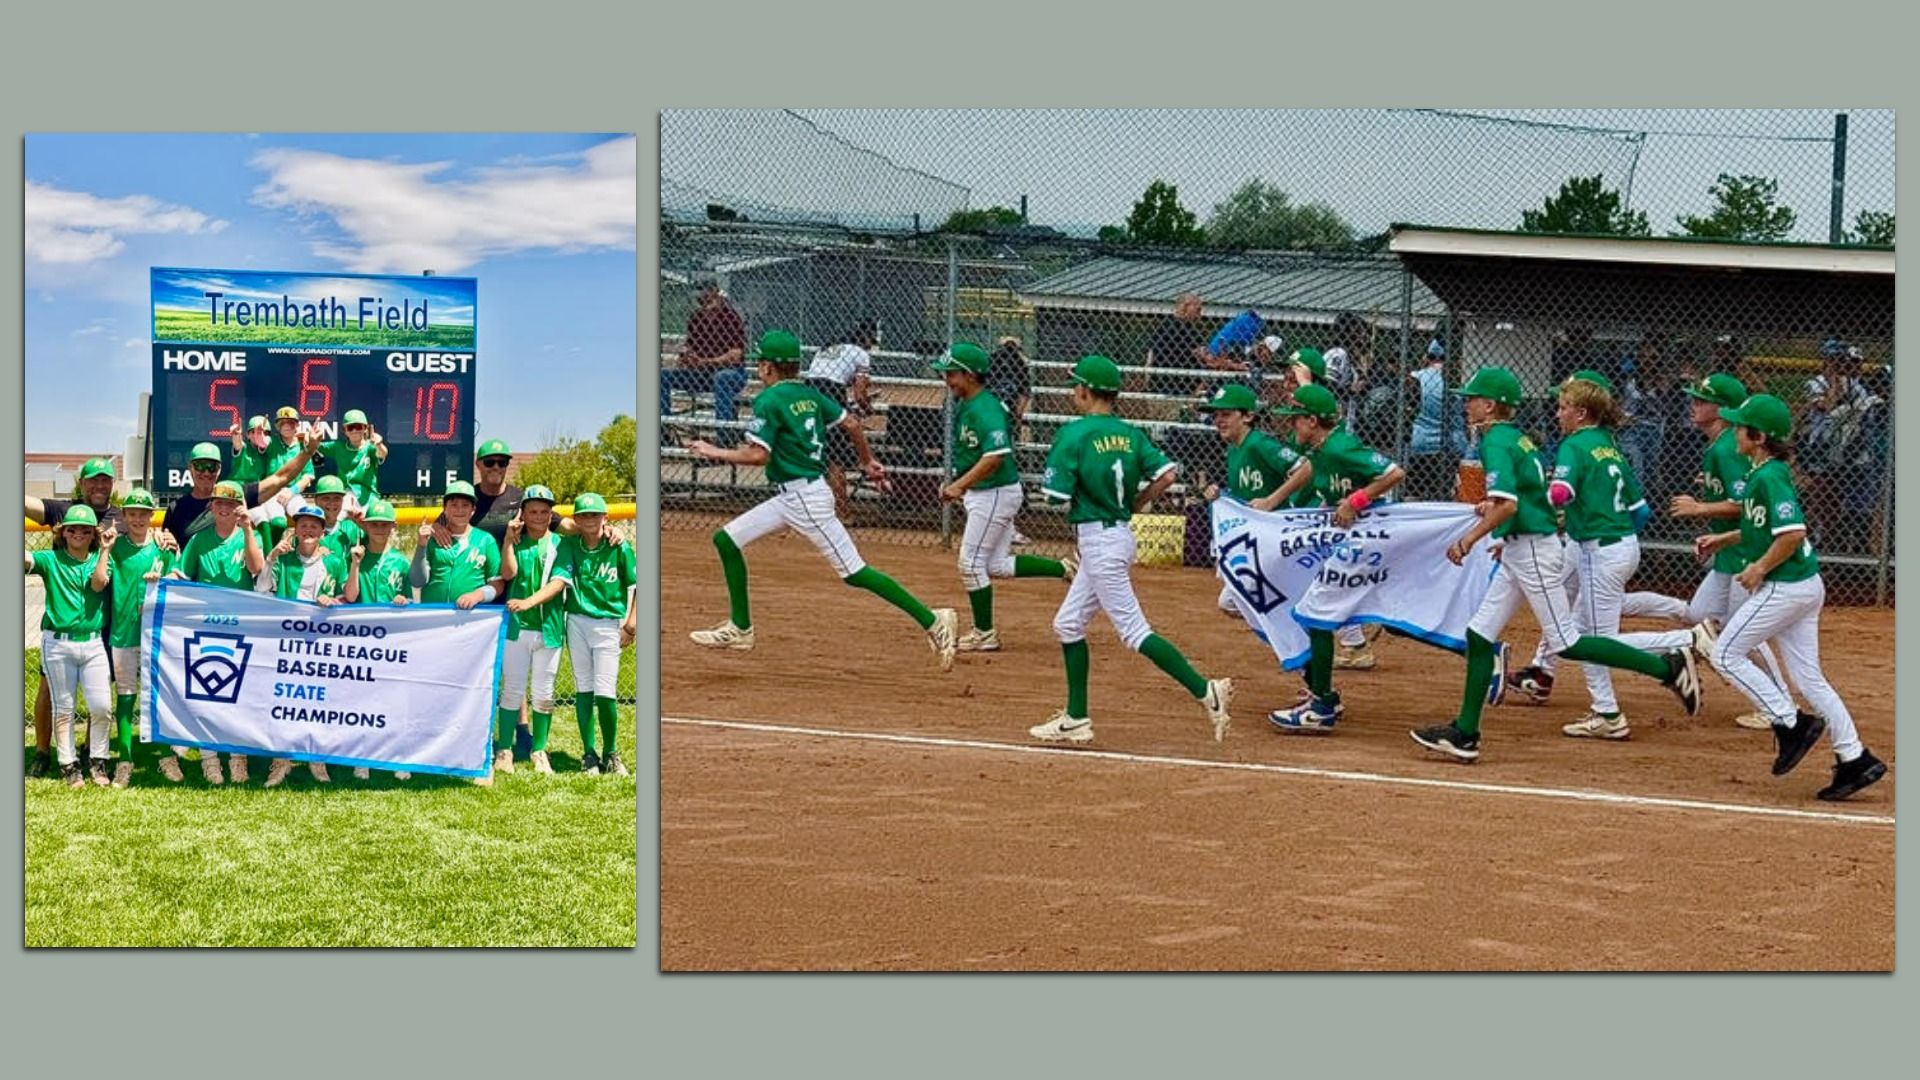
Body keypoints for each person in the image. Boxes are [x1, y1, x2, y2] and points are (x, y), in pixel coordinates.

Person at [1408, 367, 1704, 762]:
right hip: (1525, 547)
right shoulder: (1516, 438)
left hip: (1533, 549)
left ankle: (1668, 668)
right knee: (1479, 637)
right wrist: (1504, 530)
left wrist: (1470, 539)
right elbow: (1525, 499)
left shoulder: (1497, 440)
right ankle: (1465, 733)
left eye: (1472, 399)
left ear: (1491, 405)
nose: (1466, 404)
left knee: (1568, 642)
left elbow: (1511, 504)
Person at [684, 330, 959, 672]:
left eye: (761, 362)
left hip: (805, 500)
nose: (759, 368)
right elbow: (854, 424)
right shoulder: (810, 395)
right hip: (794, 495)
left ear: (768, 367)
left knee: (855, 572)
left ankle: (933, 620)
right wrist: (865, 460)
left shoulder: (769, 400)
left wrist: (714, 451)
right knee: (726, 540)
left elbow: (759, 456)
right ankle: (740, 628)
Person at [1029, 355, 1233, 746]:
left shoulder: (1074, 434)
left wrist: (1095, 491)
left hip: (1100, 539)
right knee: (1067, 624)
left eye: (1077, 385)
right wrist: (1136, 502)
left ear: (1086, 391)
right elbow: (1169, 474)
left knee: (1135, 632)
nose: (1074, 391)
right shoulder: (1130, 433)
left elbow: (1054, 496)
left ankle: (1205, 691)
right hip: (1116, 534)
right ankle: (1076, 717)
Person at [1695, 394, 1886, 801]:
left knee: (1725, 652)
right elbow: (1761, 526)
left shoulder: (1771, 476)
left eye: (1740, 428)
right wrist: (1723, 538)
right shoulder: (1762, 471)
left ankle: (1790, 724)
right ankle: (1855, 758)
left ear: (1758, 436)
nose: (1733, 433)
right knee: (1809, 679)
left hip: (1786, 587)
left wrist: (1760, 567)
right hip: (1803, 587)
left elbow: (1793, 533)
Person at [1608, 373, 1789, 730]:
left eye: (1702, 401)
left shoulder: (1726, 447)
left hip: (1744, 553)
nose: (1693, 405)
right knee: (1700, 615)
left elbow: (1747, 504)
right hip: (1728, 552)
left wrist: (1701, 509)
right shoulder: (1718, 446)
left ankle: (1777, 701)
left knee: (1742, 632)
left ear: (1723, 410)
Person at [1538, 371, 1686, 740]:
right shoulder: (1609, 444)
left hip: (1598, 550)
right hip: (1622, 546)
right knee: (1589, 634)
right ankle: (1605, 710)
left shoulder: (1575, 445)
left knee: (1592, 640)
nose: (1558, 414)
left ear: (1582, 413)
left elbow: (1560, 494)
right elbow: (1641, 512)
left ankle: (1683, 644)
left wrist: (1531, 503)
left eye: (1564, 407)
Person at [1263, 384, 1407, 733]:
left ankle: (1323, 704)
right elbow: (1314, 470)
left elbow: (1394, 473)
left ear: (1313, 421)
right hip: (1350, 539)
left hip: (1369, 539)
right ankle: (1322, 695)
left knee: (1318, 613)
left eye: (1296, 420)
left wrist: (1356, 500)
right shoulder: (1321, 449)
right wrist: (1271, 502)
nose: (1291, 426)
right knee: (1347, 612)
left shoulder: (1341, 445)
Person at [932, 342, 1072, 652]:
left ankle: (984, 632)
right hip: (989, 493)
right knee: (994, 564)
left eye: (952, 374)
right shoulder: (969, 404)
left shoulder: (986, 407)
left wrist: (958, 485)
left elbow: (995, 455)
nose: (947, 380)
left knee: (970, 564)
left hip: (994, 493)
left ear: (969, 375)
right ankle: (1064, 569)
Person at [24, 456, 141, 779]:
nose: (99, 485)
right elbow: (27, 504)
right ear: (82, 483)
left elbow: (144, 536)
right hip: (64, 622)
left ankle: (92, 753)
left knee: (99, 694)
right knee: (50, 692)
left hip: (105, 617)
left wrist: (164, 538)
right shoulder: (66, 511)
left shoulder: (121, 515)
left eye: (105, 479)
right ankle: (44, 753)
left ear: (112, 484)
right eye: (93, 480)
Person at [1281, 349, 1381, 669]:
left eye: (1292, 376)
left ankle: (1358, 631)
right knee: (1323, 575)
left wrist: (1305, 382)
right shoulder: (1313, 431)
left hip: (1335, 506)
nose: (1286, 383)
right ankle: (1354, 637)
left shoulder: (1329, 433)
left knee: (1322, 576)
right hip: (1324, 503)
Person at [167, 481, 268, 784]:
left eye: (232, 504)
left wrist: (249, 529)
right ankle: (210, 759)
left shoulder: (249, 536)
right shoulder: (199, 540)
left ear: (241, 507)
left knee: (238, 696)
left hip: (241, 628)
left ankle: (238, 758)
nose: (225, 509)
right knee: (207, 694)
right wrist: (164, 579)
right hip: (207, 628)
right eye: (219, 504)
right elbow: (181, 573)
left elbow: (256, 568)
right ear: (212, 506)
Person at [256, 505, 349, 788]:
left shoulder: (333, 561)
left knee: (317, 700)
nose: (308, 531)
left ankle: (315, 758)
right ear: (295, 529)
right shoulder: (284, 560)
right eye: (303, 525)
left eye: (314, 526)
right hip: (287, 641)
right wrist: (271, 557)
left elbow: (347, 595)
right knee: (284, 701)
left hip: (319, 643)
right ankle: (281, 761)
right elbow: (261, 589)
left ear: (322, 531)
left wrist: (333, 601)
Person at [1199, 382, 1306, 617]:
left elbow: (1305, 468)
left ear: (1248, 416)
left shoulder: (1259, 443)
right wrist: (1222, 495)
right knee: (1232, 600)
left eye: (1226, 414)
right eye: (1216, 415)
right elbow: (1247, 496)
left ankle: (1344, 637)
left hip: (1277, 536)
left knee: (1233, 600)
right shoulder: (1235, 448)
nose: (1219, 420)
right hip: (1258, 538)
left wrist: (1271, 500)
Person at [91, 489, 174, 787]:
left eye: (143, 513)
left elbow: (177, 582)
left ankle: (166, 755)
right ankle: (125, 759)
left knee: (161, 695)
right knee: (126, 696)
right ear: (124, 517)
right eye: (132, 513)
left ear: (152, 516)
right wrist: (105, 550)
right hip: (124, 633)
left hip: (157, 634)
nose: (138, 518)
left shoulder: (162, 547)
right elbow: (99, 584)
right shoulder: (117, 548)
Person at [551, 493, 637, 778]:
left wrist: (631, 624)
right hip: (576, 620)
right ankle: (589, 753)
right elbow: (560, 578)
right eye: (584, 515)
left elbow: (637, 584)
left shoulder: (618, 546)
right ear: (575, 519)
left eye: (594, 515)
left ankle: (611, 752)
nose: (589, 520)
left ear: (605, 517)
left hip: (608, 623)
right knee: (584, 688)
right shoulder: (569, 544)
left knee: (605, 691)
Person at [25, 505, 112, 788]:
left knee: (101, 706)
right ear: (62, 533)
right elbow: (26, 560)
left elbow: (99, 585)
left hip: (93, 642)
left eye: (85, 530)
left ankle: (98, 762)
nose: (78, 534)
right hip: (58, 643)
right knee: (63, 708)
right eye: (71, 529)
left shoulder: (100, 558)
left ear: (93, 535)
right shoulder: (51, 559)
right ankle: (68, 765)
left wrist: (106, 550)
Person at [489, 486, 569, 775]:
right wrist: (509, 541)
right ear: (522, 513)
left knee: (544, 692)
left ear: (551, 514)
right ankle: (505, 750)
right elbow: (508, 573)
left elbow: (558, 583)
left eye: (544, 511)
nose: (539, 516)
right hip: (517, 628)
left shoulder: (562, 544)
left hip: (549, 627)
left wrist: (528, 602)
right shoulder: (515, 541)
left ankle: (539, 750)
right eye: (532, 511)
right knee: (511, 689)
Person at [343, 498, 415, 781]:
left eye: (385, 525)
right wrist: (355, 565)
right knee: (364, 701)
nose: (380, 530)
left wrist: (403, 599)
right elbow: (350, 595)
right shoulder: (357, 556)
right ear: (366, 525)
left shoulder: (399, 560)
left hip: (393, 639)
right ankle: (363, 756)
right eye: (374, 525)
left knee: (396, 700)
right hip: (362, 638)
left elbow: (408, 596)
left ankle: (398, 756)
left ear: (393, 527)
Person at [804, 319, 878, 521]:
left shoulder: (828, 347)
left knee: (815, 452)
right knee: (836, 458)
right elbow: (860, 394)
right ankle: (842, 513)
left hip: (808, 392)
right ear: (866, 339)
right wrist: (867, 408)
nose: (872, 346)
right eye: (872, 341)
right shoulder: (860, 353)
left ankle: (810, 511)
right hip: (831, 391)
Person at [662, 278, 749, 445]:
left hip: (733, 374)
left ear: (716, 293)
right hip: (700, 375)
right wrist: (686, 357)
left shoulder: (730, 316)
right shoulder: (696, 318)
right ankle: (664, 433)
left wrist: (706, 362)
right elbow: (690, 347)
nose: (704, 301)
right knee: (662, 376)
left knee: (722, 378)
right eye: (701, 297)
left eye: (707, 295)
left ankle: (725, 437)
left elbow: (736, 355)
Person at [984, 337, 1036, 546]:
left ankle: (1000, 528)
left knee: (994, 476)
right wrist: (1016, 419)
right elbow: (1023, 398)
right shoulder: (1019, 365)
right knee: (1002, 475)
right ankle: (1004, 529)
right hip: (1002, 425)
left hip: (988, 423)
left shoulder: (993, 361)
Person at [1405, 338, 1465, 501]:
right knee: (1444, 498)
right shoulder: (1458, 379)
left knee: (1413, 495)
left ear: (1428, 357)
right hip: (1451, 444)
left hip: (1421, 442)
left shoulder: (1416, 377)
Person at [1141, 293, 1217, 398]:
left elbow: (1150, 356)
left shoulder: (1164, 325)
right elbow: (1201, 354)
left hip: (1162, 384)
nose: (1200, 314)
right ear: (1185, 307)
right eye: (1197, 309)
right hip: (1177, 386)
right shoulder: (1185, 329)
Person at [316, 408, 388, 508]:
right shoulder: (337, 447)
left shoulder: (371, 447)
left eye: (358, 427)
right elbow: (314, 445)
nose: (354, 431)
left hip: (369, 497)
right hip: (345, 495)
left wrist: (379, 444)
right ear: (345, 431)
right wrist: (310, 437)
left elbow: (382, 454)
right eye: (350, 427)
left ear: (365, 428)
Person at [265, 406, 317, 491]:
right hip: (270, 492)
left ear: (297, 425)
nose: (286, 426)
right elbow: (260, 441)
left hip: (294, 493)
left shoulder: (303, 446)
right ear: (277, 426)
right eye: (282, 423)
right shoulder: (271, 443)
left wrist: (292, 491)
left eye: (291, 422)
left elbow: (308, 476)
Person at [229, 415, 273, 483]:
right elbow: (237, 444)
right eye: (253, 432)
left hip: (260, 490)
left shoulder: (271, 450)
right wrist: (236, 434)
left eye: (265, 432)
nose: (257, 435)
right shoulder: (243, 447)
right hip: (238, 488)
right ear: (247, 435)